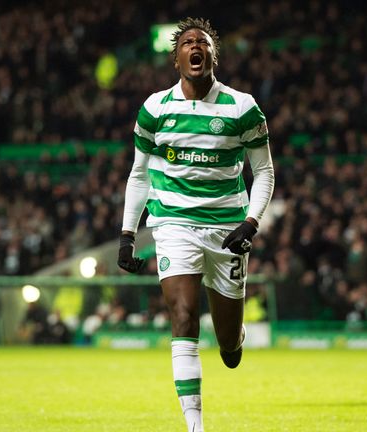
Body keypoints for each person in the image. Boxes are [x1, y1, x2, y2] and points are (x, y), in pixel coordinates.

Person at [117, 17, 274, 432]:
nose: (195, 47)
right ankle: (194, 426)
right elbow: (138, 173)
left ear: (212, 56)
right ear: (177, 59)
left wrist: (251, 223)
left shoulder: (242, 107)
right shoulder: (155, 108)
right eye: (187, 43)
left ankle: (233, 342)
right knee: (183, 315)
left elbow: (265, 171)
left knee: (228, 347)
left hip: (228, 230)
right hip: (173, 224)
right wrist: (128, 234)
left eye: (202, 42)